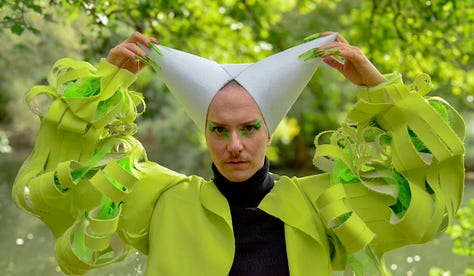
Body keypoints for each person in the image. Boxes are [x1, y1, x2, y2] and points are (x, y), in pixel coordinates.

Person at [12, 31, 465, 276]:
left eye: (249, 128)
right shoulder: (157, 198)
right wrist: (105, 84)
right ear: (204, 134)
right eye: (219, 129)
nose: (234, 145)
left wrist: (381, 90)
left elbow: (422, 204)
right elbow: (61, 198)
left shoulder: (325, 204)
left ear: (270, 134)